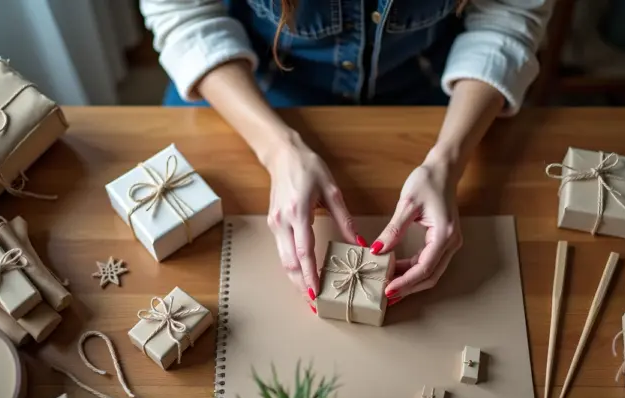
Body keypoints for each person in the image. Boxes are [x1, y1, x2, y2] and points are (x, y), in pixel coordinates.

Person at [140, 0, 553, 307]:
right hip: (250, 87)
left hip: (429, 93)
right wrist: (277, 149)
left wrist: (448, 160)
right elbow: (185, 17)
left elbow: (508, 20)